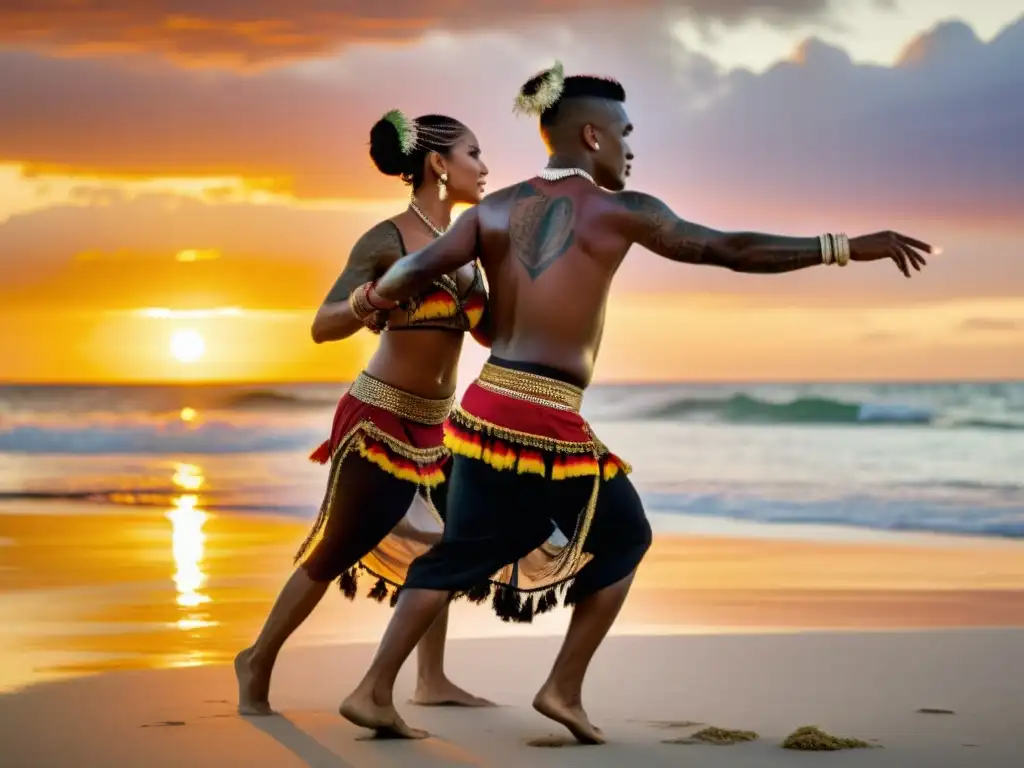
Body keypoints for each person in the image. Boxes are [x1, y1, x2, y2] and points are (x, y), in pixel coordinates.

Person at [337, 61, 934, 743]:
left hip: (480, 412)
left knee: (458, 554)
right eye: (624, 133)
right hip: (543, 415)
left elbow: (416, 266)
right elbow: (727, 249)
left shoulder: (495, 207)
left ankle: (374, 689)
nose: (631, 146)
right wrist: (844, 247)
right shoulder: (622, 210)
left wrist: (370, 302)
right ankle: (561, 689)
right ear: (591, 136)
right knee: (626, 536)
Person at [234, 109, 495, 716]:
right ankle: (257, 657)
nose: (484, 168)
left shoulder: (470, 246)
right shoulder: (387, 238)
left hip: (440, 422)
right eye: (474, 154)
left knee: (449, 545)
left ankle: (431, 679)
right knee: (338, 546)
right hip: (378, 417)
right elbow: (323, 326)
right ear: (438, 163)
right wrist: (375, 296)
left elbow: (487, 335)